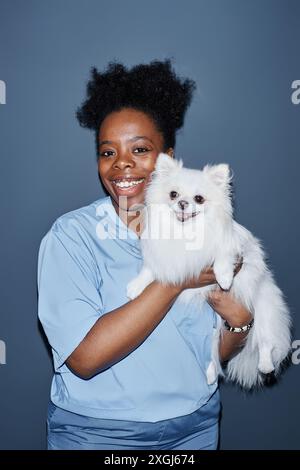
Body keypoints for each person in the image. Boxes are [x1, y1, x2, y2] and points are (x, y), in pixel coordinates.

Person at [37, 59, 253, 450]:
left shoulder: (204, 233)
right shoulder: (71, 236)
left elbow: (201, 351)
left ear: (167, 159)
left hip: (194, 429)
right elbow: (84, 358)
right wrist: (175, 280)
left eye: (140, 149)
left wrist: (238, 327)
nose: (122, 164)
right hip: (98, 436)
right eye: (107, 152)